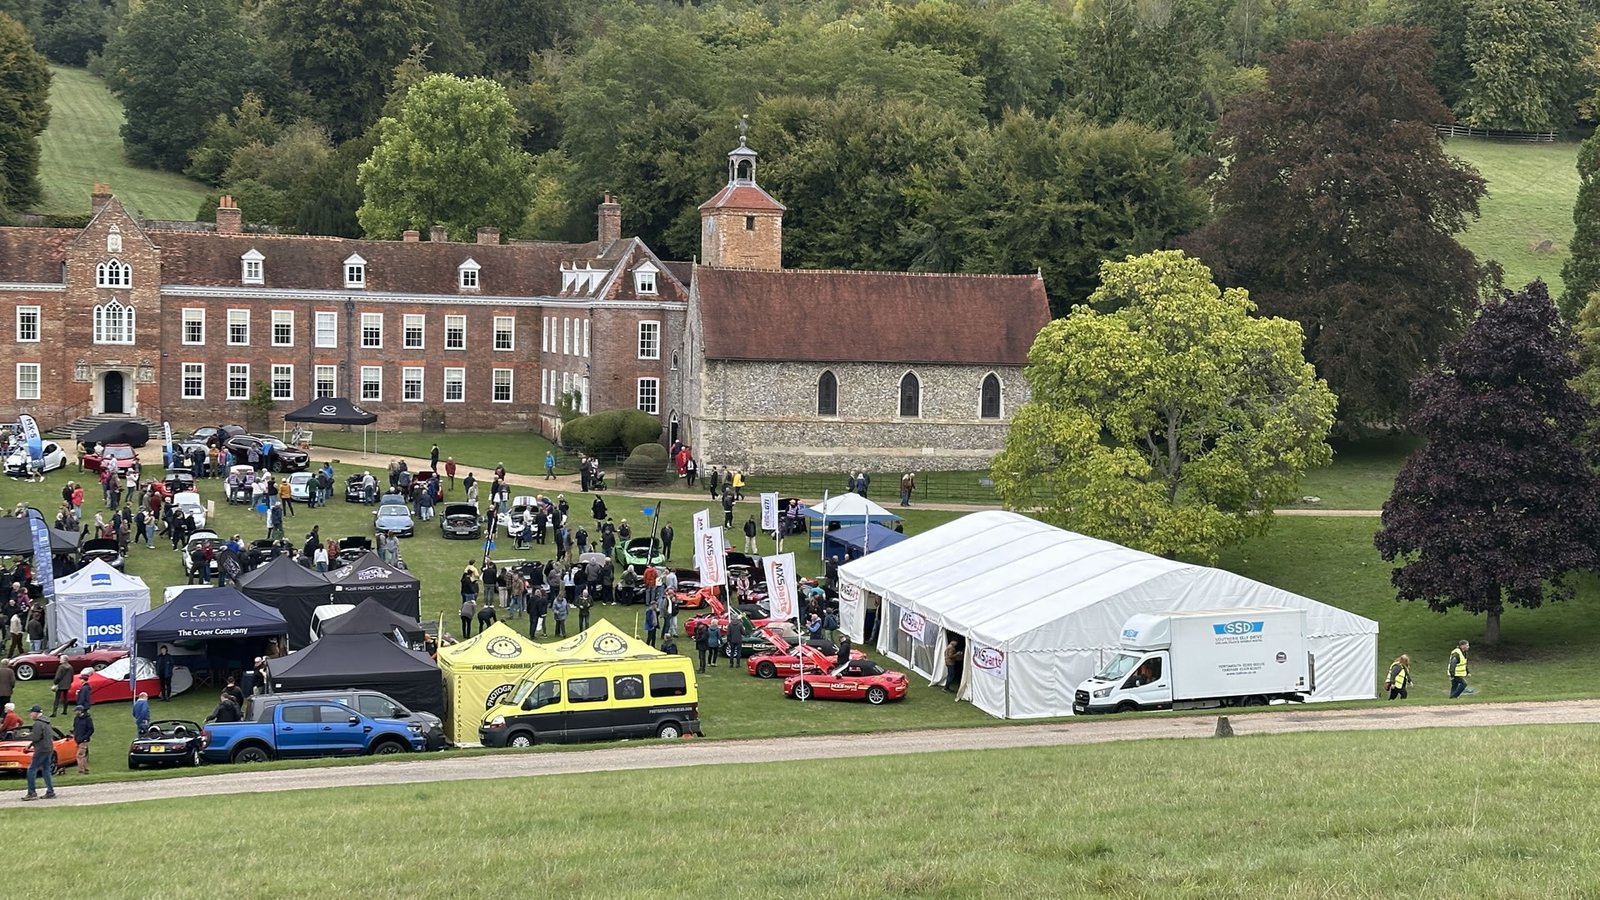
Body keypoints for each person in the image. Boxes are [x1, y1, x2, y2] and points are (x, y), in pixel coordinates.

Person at [21, 705, 54, 800]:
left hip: (41, 749)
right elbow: (42, 736)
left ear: (36, 713)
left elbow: (36, 737)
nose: (30, 715)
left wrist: (26, 736)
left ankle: (31, 792)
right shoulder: (47, 722)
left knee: (31, 769)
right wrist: (31, 741)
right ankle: (50, 791)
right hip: (48, 748)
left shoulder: (38, 724)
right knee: (46, 769)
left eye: (31, 713)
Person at [72, 704, 93, 774]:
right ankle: (86, 769)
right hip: (77, 740)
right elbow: (75, 727)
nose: (75, 712)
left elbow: (91, 729)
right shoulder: (76, 718)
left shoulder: (88, 719)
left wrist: (85, 737)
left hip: (84, 740)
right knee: (83, 755)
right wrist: (74, 734)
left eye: (76, 711)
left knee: (79, 755)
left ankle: (81, 770)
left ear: (80, 711)